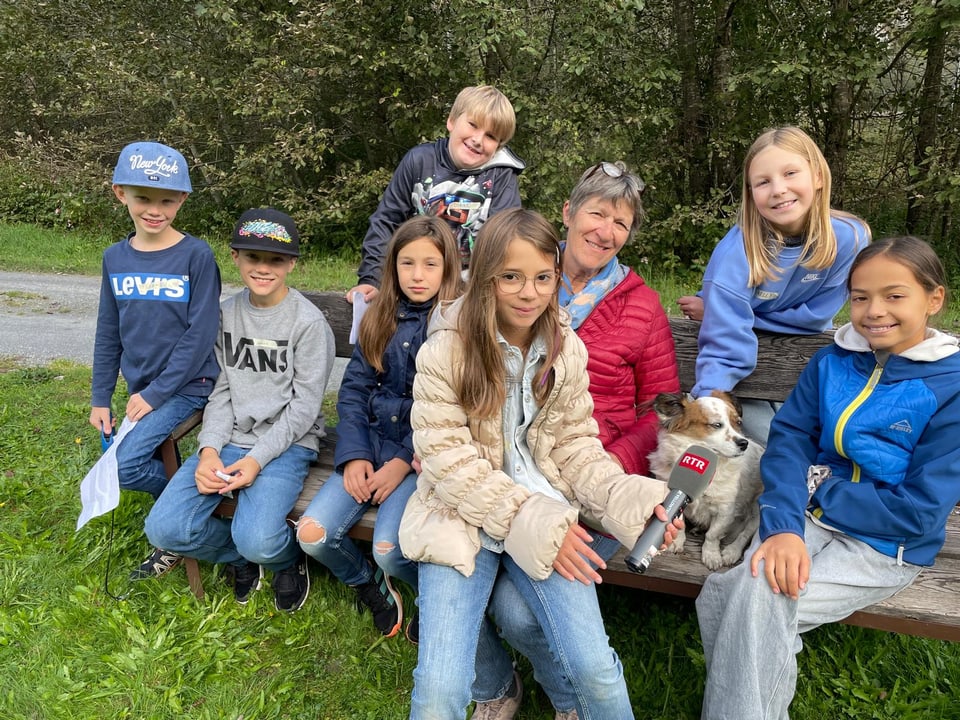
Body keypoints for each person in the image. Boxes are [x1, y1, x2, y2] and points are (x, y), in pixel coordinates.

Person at [399, 207, 679, 720]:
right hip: (459, 518)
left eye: (543, 278)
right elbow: (448, 462)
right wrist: (525, 517)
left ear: (556, 276)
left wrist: (629, 497)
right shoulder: (446, 351)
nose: (529, 293)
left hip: (547, 517)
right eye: (511, 277)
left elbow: (574, 445)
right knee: (439, 689)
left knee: (595, 667)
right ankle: (499, 689)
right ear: (483, 279)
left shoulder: (565, 347)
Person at [697, 236, 960, 719]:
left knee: (747, 602)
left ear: (934, 299)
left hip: (885, 543)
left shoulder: (952, 383)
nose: (874, 310)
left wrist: (821, 488)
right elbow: (791, 441)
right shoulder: (834, 361)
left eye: (894, 295)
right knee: (740, 595)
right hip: (807, 517)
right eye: (860, 297)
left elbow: (919, 510)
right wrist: (783, 527)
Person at [475, 160, 681, 720]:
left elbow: (662, 411)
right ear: (567, 213)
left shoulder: (642, 305)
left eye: (621, 221)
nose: (605, 230)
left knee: (517, 613)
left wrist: (609, 465)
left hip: (594, 478)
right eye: (596, 212)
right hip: (510, 470)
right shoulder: (523, 276)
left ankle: (566, 697)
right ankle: (538, 693)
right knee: (467, 581)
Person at [145, 208, 335, 612]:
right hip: (230, 439)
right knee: (162, 528)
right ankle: (238, 559)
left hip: (286, 444)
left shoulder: (308, 324)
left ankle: (285, 559)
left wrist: (256, 460)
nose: (263, 268)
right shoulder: (226, 315)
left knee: (260, 539)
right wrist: (209, 450)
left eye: (275, 260)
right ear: (235, 257)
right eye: (253, 257)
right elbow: (221, 392)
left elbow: (304, 408)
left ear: (292, 264)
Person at [296, 216, 462, 639]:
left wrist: (404, 462)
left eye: (431, 264)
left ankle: (430, 596)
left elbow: (450, 409)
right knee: (313, 535)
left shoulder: (457, 326)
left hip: (420, 457)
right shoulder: (376, 317)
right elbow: (353, 392)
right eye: (407, 263)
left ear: (448, 269)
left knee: (390, 549)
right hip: (367, 445)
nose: (418, 275)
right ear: (393, 266)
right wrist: (353, 457)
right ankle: (366, 582)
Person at [681, 126, 871, 442]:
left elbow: (816, 318)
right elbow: (725, 342)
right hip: (741, 365)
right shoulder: (737, 252)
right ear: (751, 192)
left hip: (796, 353)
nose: (779, 189)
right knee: (773, 445)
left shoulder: (850, 238)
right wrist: (707, 401)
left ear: (818, 176)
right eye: (763, 182)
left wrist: (739, 316)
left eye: (790, 173)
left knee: (827, 439)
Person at [89, 141, 221, 581]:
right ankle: (191, 498)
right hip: (143, 390)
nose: (154, 209)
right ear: (119, 193)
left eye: (167, 199)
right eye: (143, 197)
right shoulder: (115, 258)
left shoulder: (196, 256)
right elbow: (109, 332)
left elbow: (200, 336)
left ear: (182, 199)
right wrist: (100, 397)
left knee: (125, 466)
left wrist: (157, 393)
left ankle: (190, 500)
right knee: (123, 461)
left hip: (188, 386)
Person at [348, 84, 525, 303]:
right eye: (472, 125)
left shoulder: (502, 176)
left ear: (498, 146)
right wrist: (371, 279)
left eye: (490, 136)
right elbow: (386, 221)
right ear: (451, 121)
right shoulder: (419, 161)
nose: (478, 140)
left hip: (469, 293)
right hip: (413, 283)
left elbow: (504, 240)